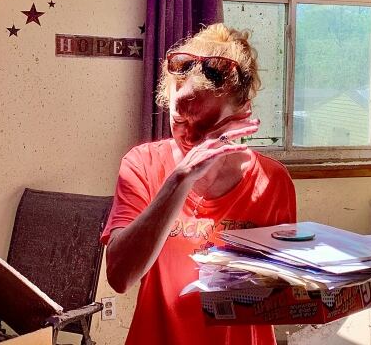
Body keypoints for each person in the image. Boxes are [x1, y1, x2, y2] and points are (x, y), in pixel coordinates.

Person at [102, 23, 297, 345]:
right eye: (178, 119)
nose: (189, 135)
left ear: (242, 112)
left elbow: (282, 289)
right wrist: (179, 179)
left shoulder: (272, 181)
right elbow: (120, 277)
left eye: (204, 123)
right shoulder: (142, 164)